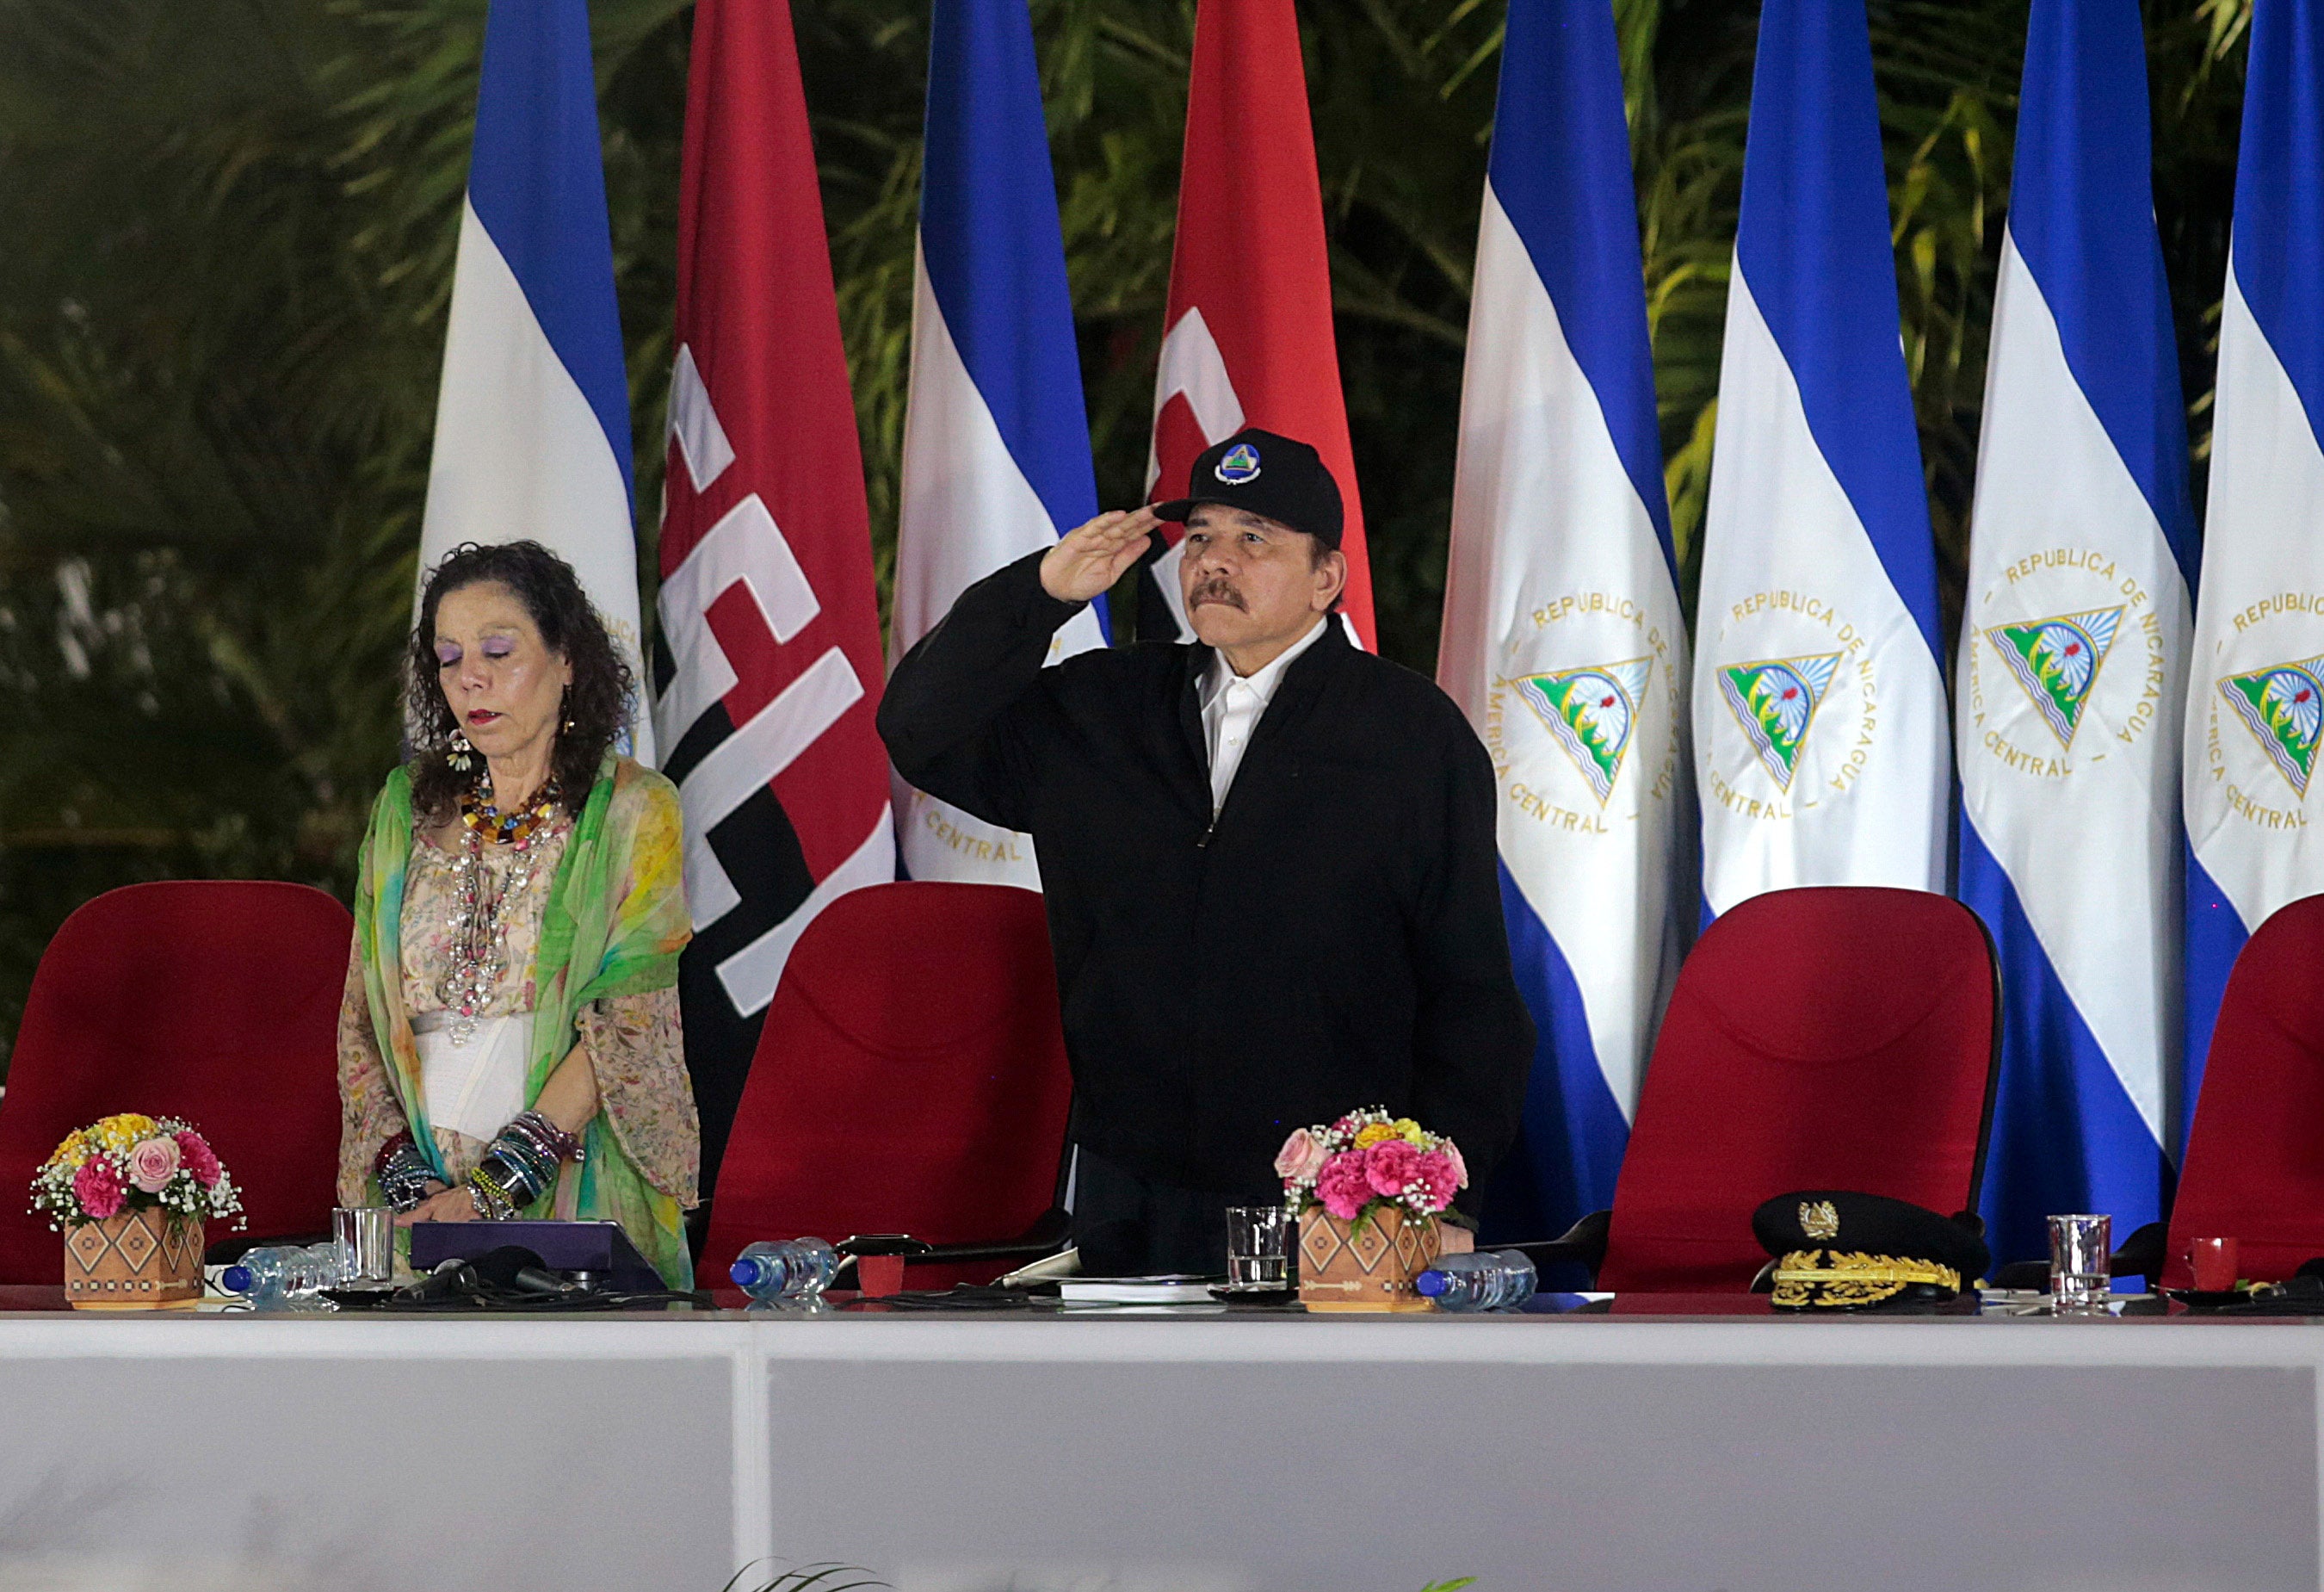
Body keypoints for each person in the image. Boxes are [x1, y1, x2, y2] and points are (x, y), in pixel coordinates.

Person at [881, 428, 1534, 1275]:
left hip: (1327, 1197)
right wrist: (1040, 594)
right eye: (1201, 539)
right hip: (1124, 1186)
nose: (1214, 562)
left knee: (1288, 1409)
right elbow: (919, 729)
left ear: (1327, 579)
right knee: (1131, 1408)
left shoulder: (1409, 735)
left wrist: (1442, 1200)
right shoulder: (1103, 708)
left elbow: (1472, 991)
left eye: (1253, 539)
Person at [336, 541, 699, 1289]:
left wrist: (496, 1189)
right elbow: (362, 1021)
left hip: (571, 1193)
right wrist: (419, 1192)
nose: (472, 676)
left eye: (500, 650)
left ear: (567, 659)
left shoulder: (636, 810)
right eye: (449, 656)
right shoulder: (406, 809)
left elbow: (625, 1025)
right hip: (415, 1207)